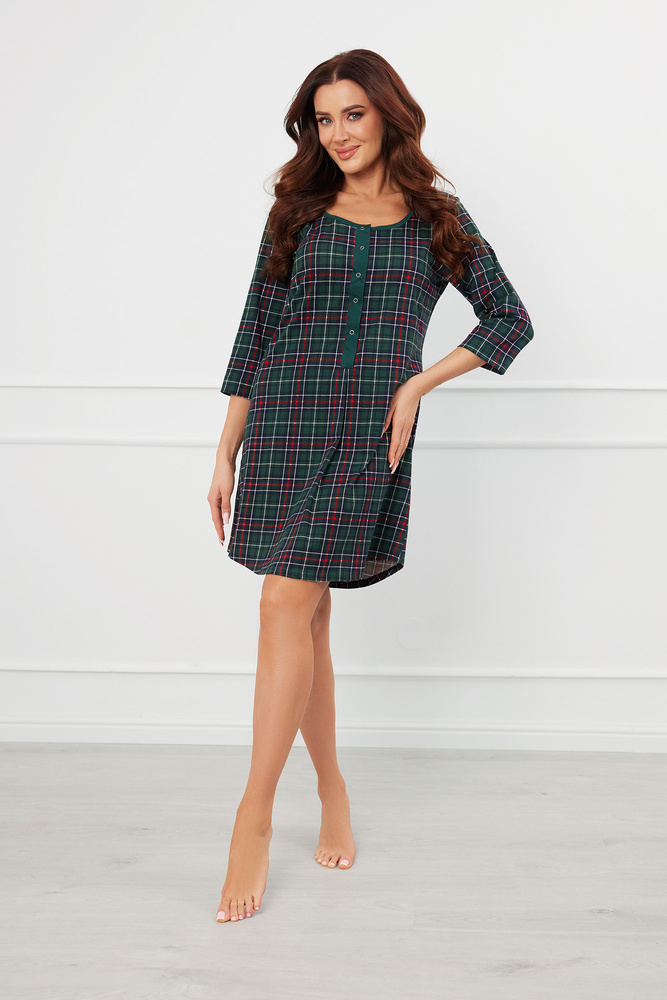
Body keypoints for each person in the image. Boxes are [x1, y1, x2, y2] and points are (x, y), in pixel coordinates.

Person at [208, 48, 534, 923]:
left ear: (388, 113)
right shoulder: (297, 211)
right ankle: (332, 788)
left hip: (366, 436)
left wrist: (416, 384)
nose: (337, 133)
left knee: (283, 603)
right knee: (303, 615)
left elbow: (510, 318)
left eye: (352, 113)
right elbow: (255, 330)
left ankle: (252, 816)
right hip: (282, 424)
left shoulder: (436, 218)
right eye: (323, 119)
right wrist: (225, 448)